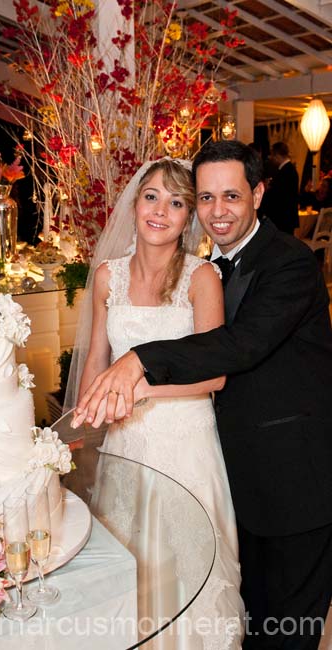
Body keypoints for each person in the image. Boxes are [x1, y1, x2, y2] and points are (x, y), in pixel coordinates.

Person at [73, 140, 332, 649]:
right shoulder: (216, 262)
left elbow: (236, 348)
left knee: (286, 625)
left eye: (231, 196)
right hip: (235, 467)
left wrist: (140, 362)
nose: (217, 211)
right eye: (207, 197)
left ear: (258, 194)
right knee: (238, 611)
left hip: (295, 478)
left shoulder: (288, 264)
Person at [68, 157, 244, 648]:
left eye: (177, 202)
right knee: (132, 562)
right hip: (125, 446)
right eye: (152, 197)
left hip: (186, 443)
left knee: (190, 567)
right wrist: (85, 417)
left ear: (189, 217)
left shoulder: (201, 277)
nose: (160, 211)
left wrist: (140, 389)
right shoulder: (108, 277)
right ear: (135, 202)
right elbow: (97, 360)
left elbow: (215, 375)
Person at [261, 141, 299, 234]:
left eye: (273, 156)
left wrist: (267, 190)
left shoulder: (286, 172)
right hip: (286, 217)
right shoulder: (289, 169)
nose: (272, 158)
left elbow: (278, 196)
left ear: (277, 155)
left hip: (282, 218)